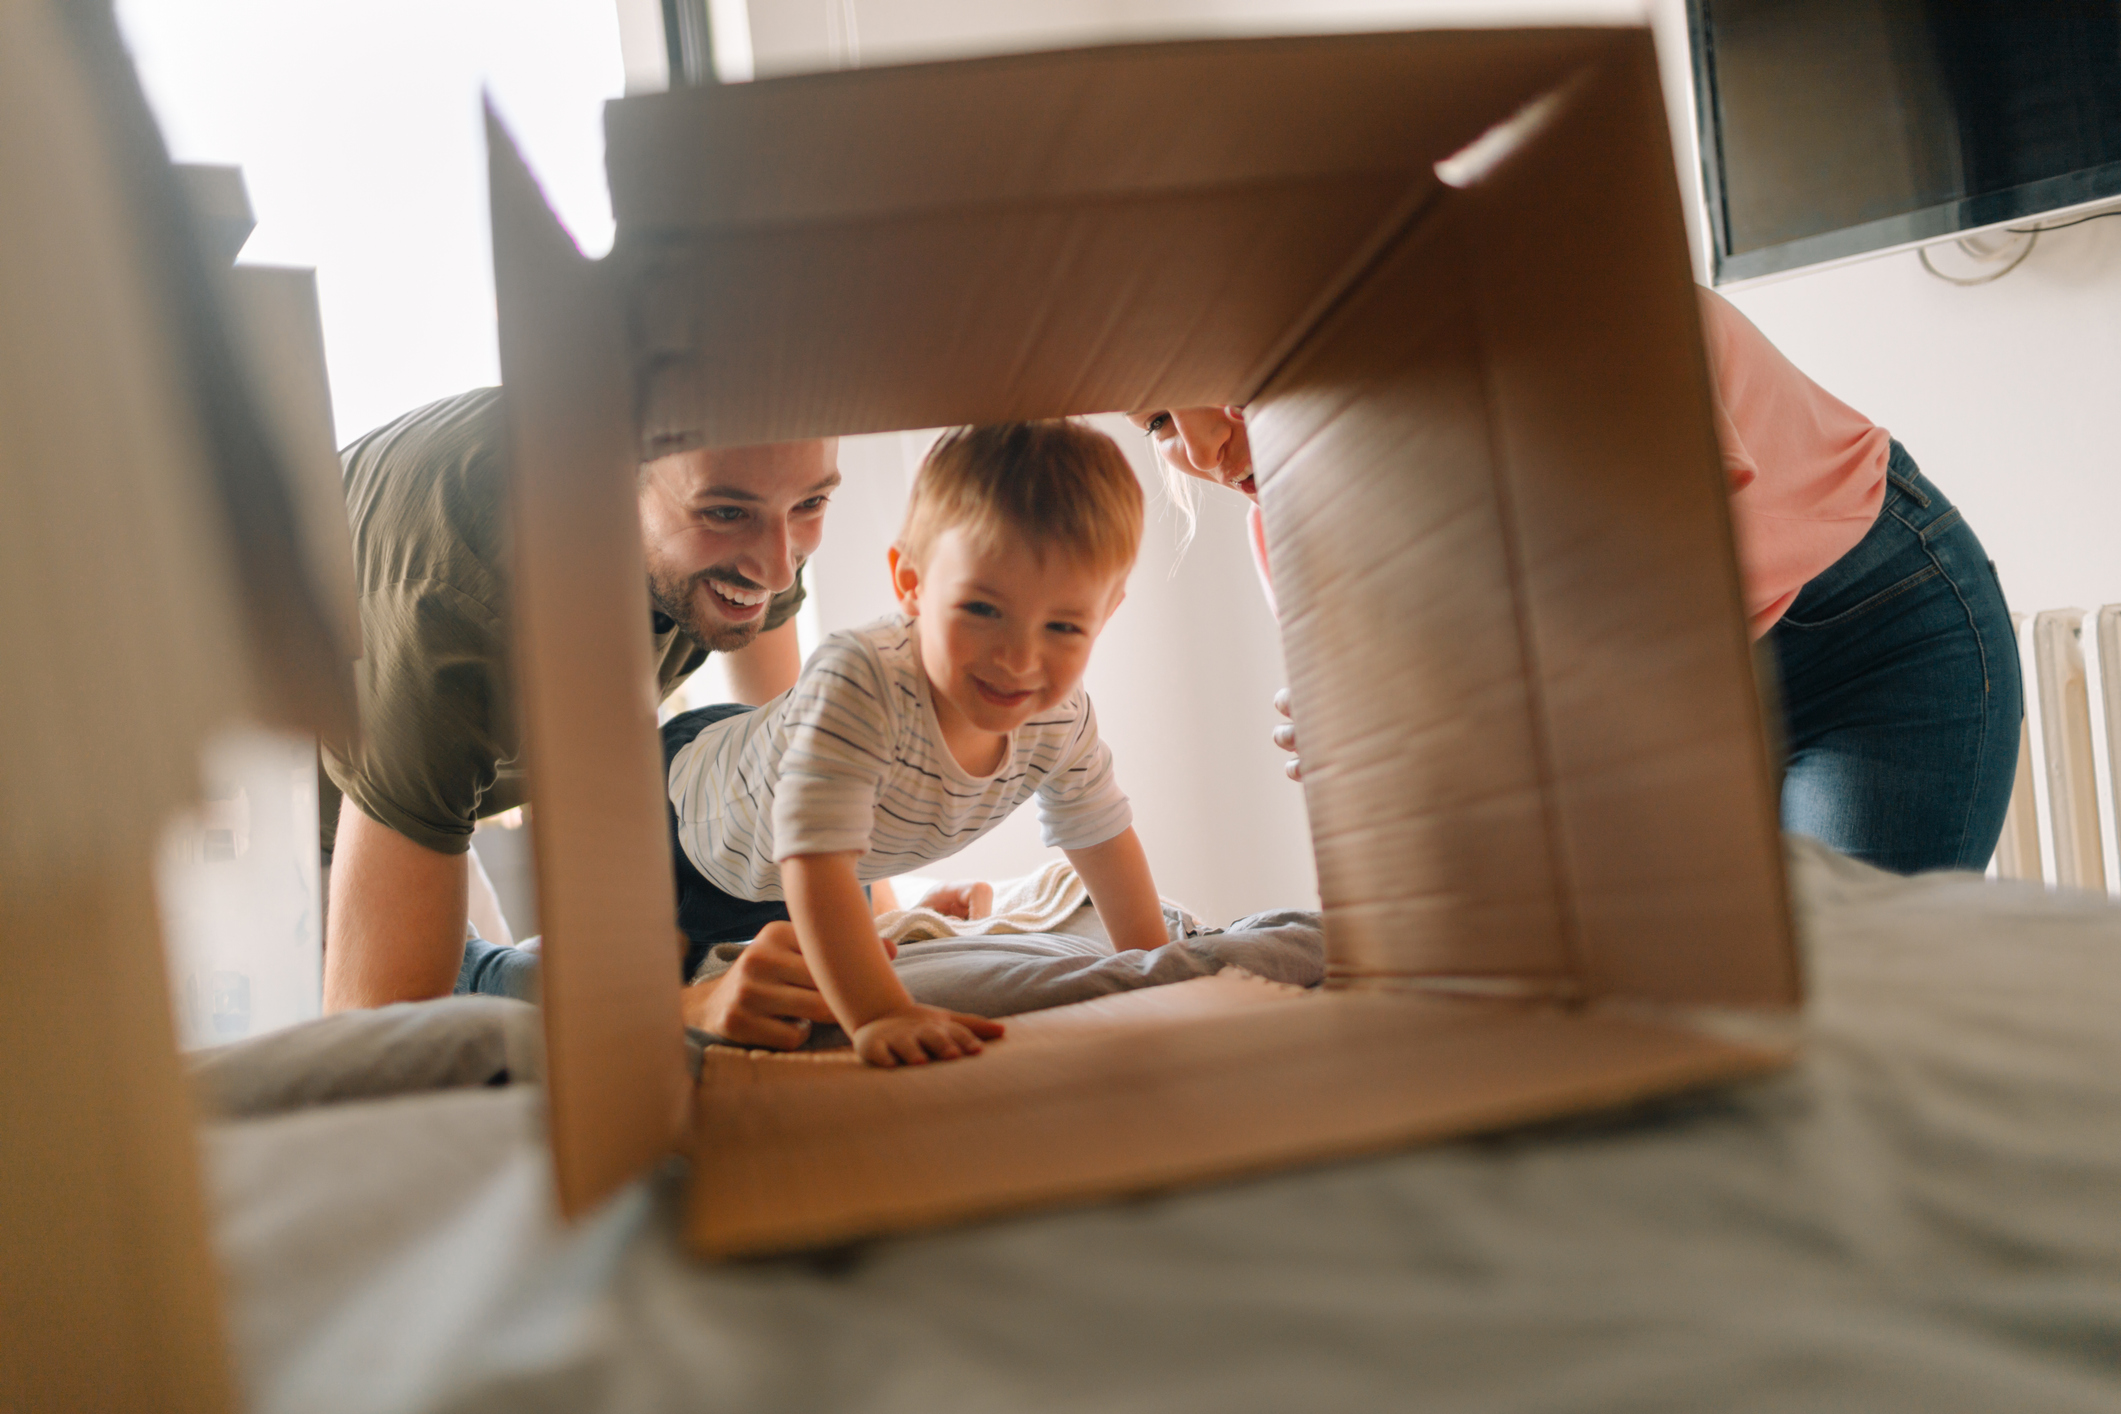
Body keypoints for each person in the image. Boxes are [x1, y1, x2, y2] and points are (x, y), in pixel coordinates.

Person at [1128, 287, 2021, 876]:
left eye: (1225, 387)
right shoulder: (1293, 535)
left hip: (1866, 634)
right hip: (1673, 705)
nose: (1203, 450)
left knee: (1848, 995)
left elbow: (1656, 553)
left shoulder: (1530, 297)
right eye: (1159, 420)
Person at [320, 386, 850, 1043]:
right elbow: (373, 1038)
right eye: (723, 513)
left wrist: (870, 917)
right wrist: (682, 1012)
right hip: (276, 822)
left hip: (425, 784)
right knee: (455, 1028)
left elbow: (793, 771)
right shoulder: (458, 611)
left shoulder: (757, 501)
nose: (775, 569)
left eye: (812, 503)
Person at [662, 420, 1167, 1065]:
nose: (1019, 659)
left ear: (1109, 610)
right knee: (625, 999)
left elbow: (1102, 836)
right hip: (678, 823)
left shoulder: (1060, 718)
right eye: (982, 610)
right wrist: (882, 1014)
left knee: (792, 949)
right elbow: (814, 865)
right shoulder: (861, 683)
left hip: (789, 864)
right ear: (911, 582)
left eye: (1065, 625)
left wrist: (1159, 967)